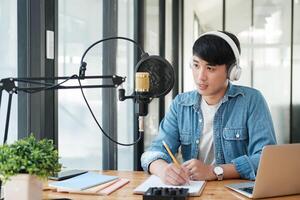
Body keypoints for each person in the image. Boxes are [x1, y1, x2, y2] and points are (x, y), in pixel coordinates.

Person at [140, 30, 277, 185]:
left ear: (232, 72)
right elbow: (152, 153)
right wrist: (163, 169)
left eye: (210, 68)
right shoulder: (181, 104)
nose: (200, 76)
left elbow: (266, 160)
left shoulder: (251, 101)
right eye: (196, 65)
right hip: (193, 190)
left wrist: (214, 171)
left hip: (235, 192)